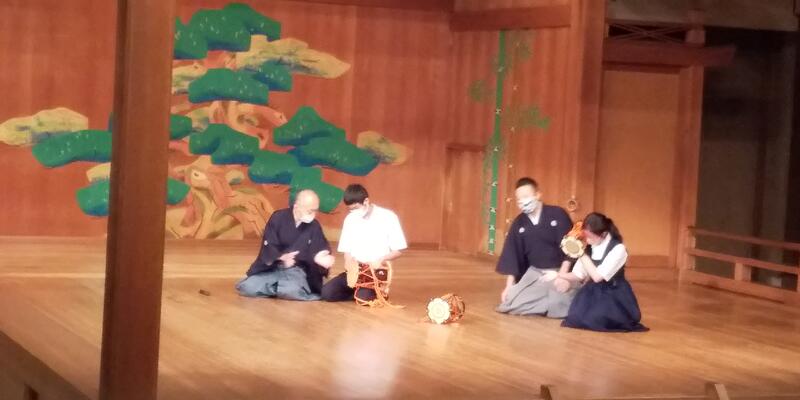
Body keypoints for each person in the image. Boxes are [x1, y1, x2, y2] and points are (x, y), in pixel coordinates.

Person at [495, 177, 578, 318]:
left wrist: (562, 275)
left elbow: (571, 247)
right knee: (510, 302)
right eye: (519, 199)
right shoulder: (519, 223)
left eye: (526, 196)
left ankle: (559, 299)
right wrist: (509, 286)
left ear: (538, 194)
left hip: (560, 271)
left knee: (558, 302)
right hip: (535, 273)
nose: (523, 201)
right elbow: (513, 255)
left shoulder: (557, 214)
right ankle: (550, 302)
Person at [235, 189, 335, 301]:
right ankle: (280, 289)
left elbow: (320, 248)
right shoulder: (278, 218)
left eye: (315, 211)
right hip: (273, 268)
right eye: (310, 211)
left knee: (291, 290)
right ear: (296, 207)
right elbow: (269, 244)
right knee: (248, 287)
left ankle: (276, 288)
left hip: (297, 271)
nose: (313, 214)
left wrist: (321, 257)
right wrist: (281, 256)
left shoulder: (314, 226)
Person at [560, 212, 648, 332]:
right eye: (586, 236)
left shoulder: (618, 249)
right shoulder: (589, 247)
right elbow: (579, 274)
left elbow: (597, 277)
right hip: (592, 291)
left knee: (597, 319)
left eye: (590, 237)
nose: (587, 240)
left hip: (613, 292)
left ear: (604, 234)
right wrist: (560, 275)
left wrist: (581, 253)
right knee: (575, 318)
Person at [321, 184, 407, 302]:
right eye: (351, 209)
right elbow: (346, 250)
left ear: (366, 201)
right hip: (356, 270)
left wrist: (380, 260)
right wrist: (349, 264)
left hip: (375, 270)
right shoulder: (350, 219)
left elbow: (398, 250)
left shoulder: (388, 217)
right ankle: (359, 291)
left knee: (364, 299)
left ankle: (375, 291)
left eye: (356, 208)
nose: (353, 211)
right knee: (327, 293)